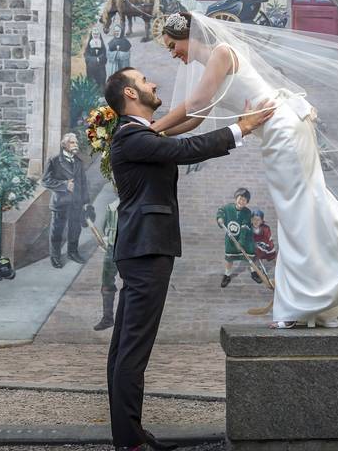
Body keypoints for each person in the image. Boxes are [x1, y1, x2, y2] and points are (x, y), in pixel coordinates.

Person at [150, 12, 338, 329]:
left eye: (172, 45)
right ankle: (301, 301)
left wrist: (149, 128)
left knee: (302, 211)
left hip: (283, 132)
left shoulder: (221, 52)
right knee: (299, 213)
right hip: (279, 132)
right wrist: (158, 134)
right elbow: (196, 118)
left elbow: (194, 104)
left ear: (188, 37)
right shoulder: (215, 61)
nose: (173, 53)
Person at [103, 66, 273, 451]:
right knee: (133, 348)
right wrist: (240, 128)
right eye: (145, 81)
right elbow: (185, 150)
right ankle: (130, 442)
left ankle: (128, 435)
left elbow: (184, 131)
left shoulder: (138, 135)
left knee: (124, 347)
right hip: (146, 249)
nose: (153, 83)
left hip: (141, 249)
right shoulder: (131, 137)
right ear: (130, 95)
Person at [41, 132, 91, 269]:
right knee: (57, 231)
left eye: (76, 142)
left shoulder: (79, 162)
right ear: (64, 145)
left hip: (76, 203)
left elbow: (83, 183)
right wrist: (64, 185)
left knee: (75, 229)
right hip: (60, 203)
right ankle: (55, 257)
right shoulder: (54, 160)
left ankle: (72, 253)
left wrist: (86, 202)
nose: (76, 145)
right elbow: (45, 181)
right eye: (72, 142)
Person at [217, 187, 256, 287]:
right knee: (230, 258)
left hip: (245, 238)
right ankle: (227, 275)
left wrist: (241, 242)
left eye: (244, 200)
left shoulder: (247, 212)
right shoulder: (228, 207)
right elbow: (221, 210)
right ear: (236, 197)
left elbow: (244, 227)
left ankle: (254, 271)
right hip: (231, 238)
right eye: (240, 198)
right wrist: (220, 218)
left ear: (247, 202)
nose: (241, 201)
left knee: (250, 256)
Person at [95, 198, 120, 331]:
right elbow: (106, 226)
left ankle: (127, 320)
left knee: (132, 284)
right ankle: (108, 318)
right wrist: (105, 239)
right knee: (106, 283)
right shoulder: (111, 207)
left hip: (129, 248)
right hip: (111, 248)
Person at [85, 27, 108, 91]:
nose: (95, 35)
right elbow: (86, 56)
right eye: (94, 34)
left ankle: (102, 93)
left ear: (99, 35)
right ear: (92, 35)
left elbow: (104, 54)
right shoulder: (89, 45)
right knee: (92, 80)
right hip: (91, 67)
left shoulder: (102, 44)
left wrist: (99, 59)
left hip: (100, 66)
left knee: (101, 78)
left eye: (97, 34)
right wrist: (94, 59)